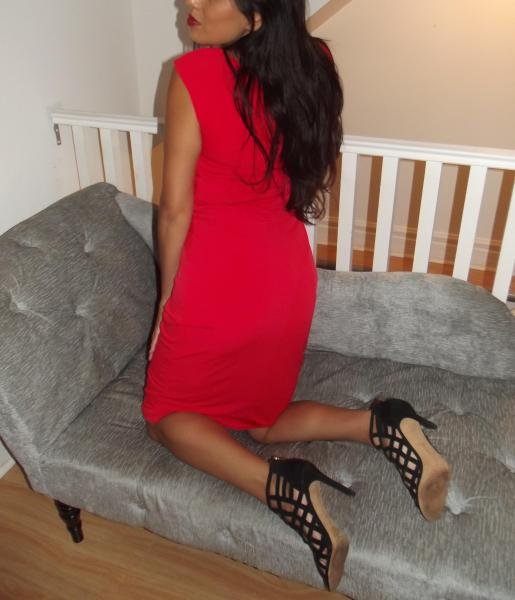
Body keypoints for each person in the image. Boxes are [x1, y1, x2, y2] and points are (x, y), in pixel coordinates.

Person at [141, 0, 451, 592]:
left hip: (218, 290)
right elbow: (313, 167)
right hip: (287, 282)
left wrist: (165, 305)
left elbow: (175, 211)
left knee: (163, 419)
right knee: (259, 422)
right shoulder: (316, 64)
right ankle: (381, 424)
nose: (190, 3)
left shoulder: (194, 75)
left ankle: (280, 487)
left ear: (258, 14)